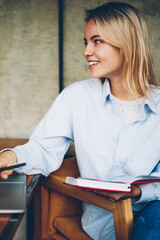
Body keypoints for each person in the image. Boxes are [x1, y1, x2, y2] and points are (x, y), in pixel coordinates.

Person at [0, 1, 160, 239]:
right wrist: (12, 156)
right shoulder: (78, 96)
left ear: (126, 43)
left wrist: (138, 192)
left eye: (97, 41)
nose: (86, 51)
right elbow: (45, 148)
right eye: (86, 42)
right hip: (103, 228)